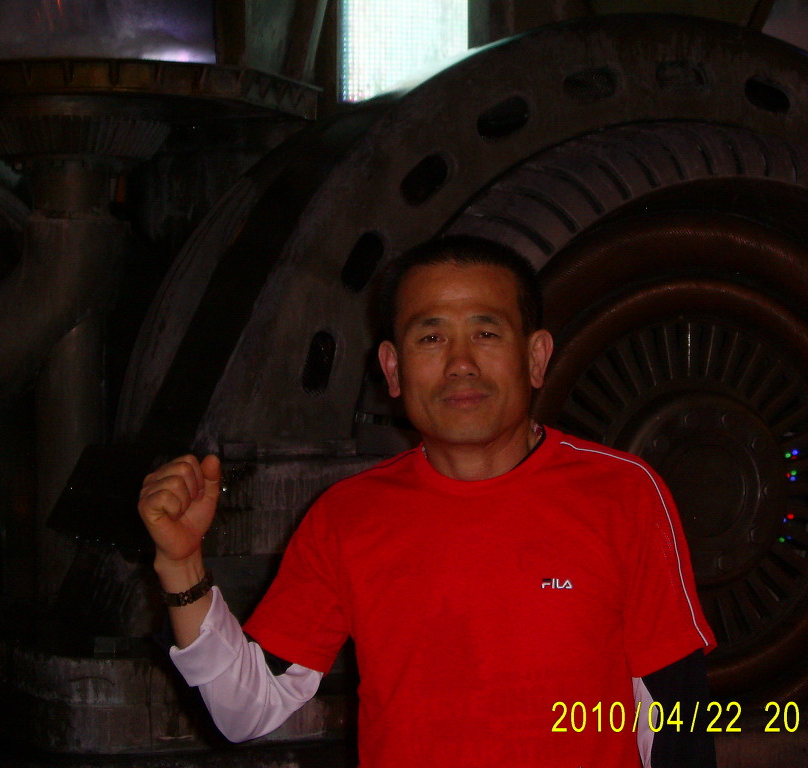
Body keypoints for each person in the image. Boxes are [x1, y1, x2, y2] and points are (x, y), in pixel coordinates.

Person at [138, 236, 717, 768]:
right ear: (393, 369)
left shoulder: (622, 494)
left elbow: (676, 718)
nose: (461, 363)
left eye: (487, 333)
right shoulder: (348, 517)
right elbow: (246, 710)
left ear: (537, 357)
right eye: (431, 337)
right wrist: (182, 565)